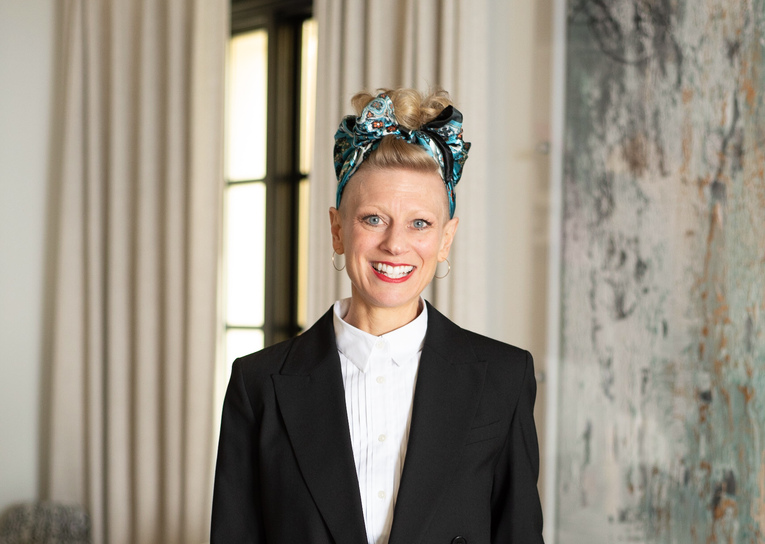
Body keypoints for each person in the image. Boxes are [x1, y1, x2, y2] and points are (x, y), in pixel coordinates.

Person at [211, 88, 544, 544]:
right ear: (337, 230)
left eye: (420, 223)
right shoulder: (258, 386)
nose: (395, 244)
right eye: (373, 219)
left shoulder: (504, 378)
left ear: (446, 239)